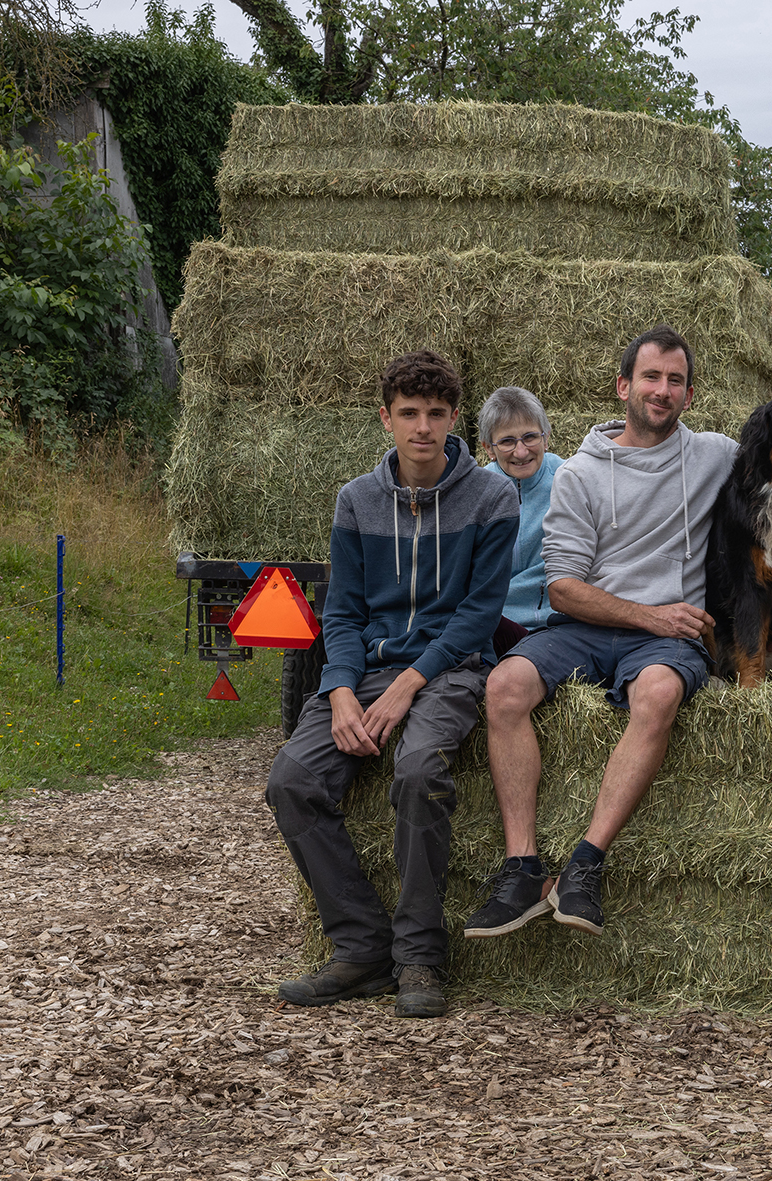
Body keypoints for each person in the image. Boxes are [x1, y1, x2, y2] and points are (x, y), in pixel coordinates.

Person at [463, 324, 738, 941]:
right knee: (504, 686)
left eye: (675, 380)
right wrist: (650, 614)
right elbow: (562, 587)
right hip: (588, 625)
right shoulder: (581, 474)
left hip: (668, 640)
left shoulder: (715, 456)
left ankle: (584, 866)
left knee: (659, 694)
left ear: (690, 395)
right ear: (623, 386)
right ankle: (522, 869)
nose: (661, 390)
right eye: (650, 377)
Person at [266, 350, 519, 1019]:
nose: (423, 427)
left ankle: (419, 955)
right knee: (291, 779)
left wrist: (409, 683)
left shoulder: (492, 497)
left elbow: (479, 615)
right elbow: (343, 612)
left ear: (455, 417)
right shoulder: (356, 500)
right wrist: (341, 690)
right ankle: (361, 948)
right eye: (409, 413)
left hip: (451, 668)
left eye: (435, 413)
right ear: (386, 418)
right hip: (368, 668)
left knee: (417, 771)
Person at [479, 385, 564, 657]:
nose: (521, 451)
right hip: (497, 624)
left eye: (530, 437)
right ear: (488, 448)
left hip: (560, 621)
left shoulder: (570, 480)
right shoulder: (476, 493)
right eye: (507, 441)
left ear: (546, 438)